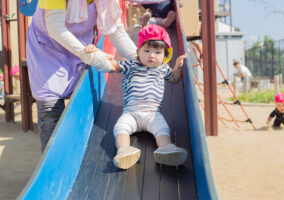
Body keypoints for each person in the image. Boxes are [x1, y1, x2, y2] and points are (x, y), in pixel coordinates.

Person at [27, 0, 137, 152]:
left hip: (79, 46)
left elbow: (115, 30)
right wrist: (90, 57)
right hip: (47, 50)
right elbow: (54, 27)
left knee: (81, 105)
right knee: (50, 112)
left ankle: (75, 150)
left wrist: (139, 59)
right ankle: (54, 163)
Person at [85, 24, 188, 169]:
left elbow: (175, 79)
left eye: (158, 52)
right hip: (131, 113)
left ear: (165, 55)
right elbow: (114, 66)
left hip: (153, 114)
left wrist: (177, 65)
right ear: (138, 51)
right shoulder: (132, 64)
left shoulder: (163, 69)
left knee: (162, 129)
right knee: (120, 128)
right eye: (146, 51)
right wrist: (97, 54)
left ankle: (166, 149)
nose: (151, 55)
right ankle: (124, 150)